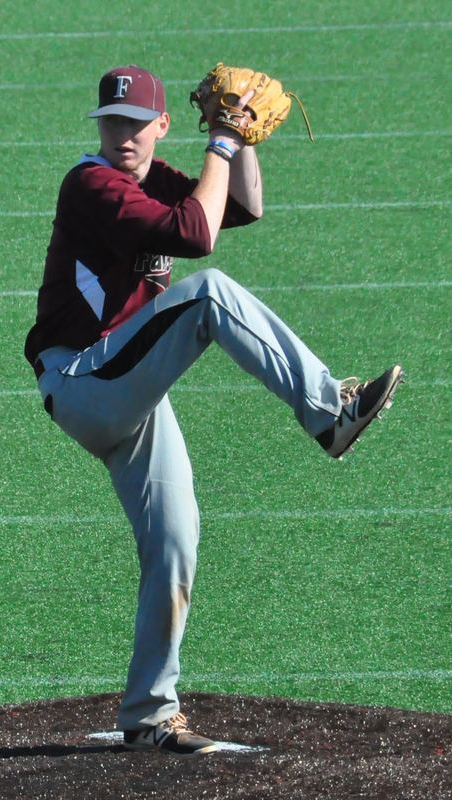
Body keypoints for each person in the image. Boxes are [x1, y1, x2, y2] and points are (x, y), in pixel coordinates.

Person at [24, 65, 402, 757]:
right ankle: (328, 411)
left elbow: (241, 208)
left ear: (162, 125)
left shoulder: (155, 176)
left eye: (137, 123)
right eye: (113, 123)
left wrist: (241, 141)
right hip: (83, 380)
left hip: (124, 385)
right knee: (209, 292)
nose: (124, 135)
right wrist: (222, 142)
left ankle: (148, 712)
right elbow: (198, 239)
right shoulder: (91, 183)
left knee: (175, 539)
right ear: (99, 129)